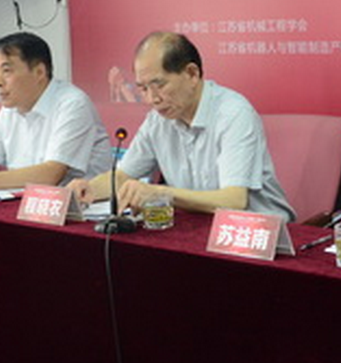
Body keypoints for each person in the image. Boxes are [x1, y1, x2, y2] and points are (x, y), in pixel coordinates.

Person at [69, 31, 295, 221]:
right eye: (143, 89)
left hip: (259, 234)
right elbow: (123, 176)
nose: (152, 99)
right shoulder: (158, 120)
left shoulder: (233, 113)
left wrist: (160, 193)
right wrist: (88, 189)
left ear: (192, 74)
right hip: (199, 228)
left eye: (159, 85)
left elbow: (234, 200)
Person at [0, 32, 111, 190]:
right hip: (26, 201)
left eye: (7, 71)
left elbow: (51, 174)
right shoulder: (11, 107)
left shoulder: (73, 104)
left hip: (80, 204)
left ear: (39, 72)